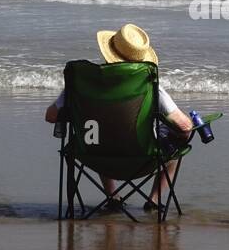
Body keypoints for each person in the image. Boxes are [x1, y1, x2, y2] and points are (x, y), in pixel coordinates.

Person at [45, 23, 195, 211]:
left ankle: (112, 196)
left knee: (97, 134)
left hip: (94, 156)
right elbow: (184, 127)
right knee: (177, 145)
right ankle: (154, 200)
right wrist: (191, 123)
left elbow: (50, 116)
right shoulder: (149, 86)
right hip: (142, 158)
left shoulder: (83, 83)